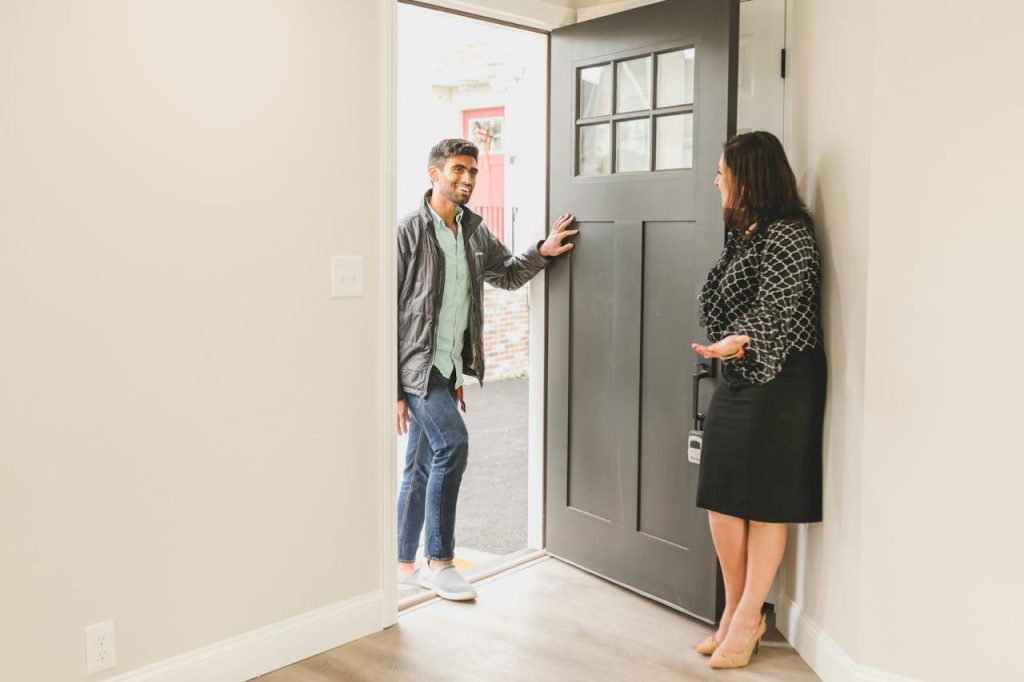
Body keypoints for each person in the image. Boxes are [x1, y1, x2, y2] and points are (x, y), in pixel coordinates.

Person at [396, 138, 577, 600]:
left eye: (474, 172)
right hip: (417, 369)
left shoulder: (474, 232)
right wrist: (393, 389)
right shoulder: (408, 233)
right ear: (433, 173)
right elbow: (386, 312)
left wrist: (545, 249)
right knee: (453, 445)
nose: (467, 179)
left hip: (450, 368)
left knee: (419, 465)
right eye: (458, 170)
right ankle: (439, 562)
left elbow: (510, 274)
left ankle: (403, 566)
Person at [690, 131, 826, 669]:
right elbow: (719, 296)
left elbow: (776, 308)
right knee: (722, 498)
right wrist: (731, 344)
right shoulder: (744, 234)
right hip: (742, 372)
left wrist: (740, 339)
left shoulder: (791, 234)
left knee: (767, 501)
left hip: (786, 375)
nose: (716, 180)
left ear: (750, 177)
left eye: (724, 171)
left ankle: (748, 616)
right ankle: (734, 610)